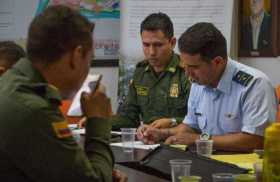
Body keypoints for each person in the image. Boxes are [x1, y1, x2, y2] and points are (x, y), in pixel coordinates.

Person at [0, 5, 127, 182]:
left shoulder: (10, 85)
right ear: (76, 56)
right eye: (89, 60)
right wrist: (98, 120)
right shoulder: (34, 110)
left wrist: (96, 170)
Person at [138, 22, 277, 152]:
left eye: (193, 67)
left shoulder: (254, 84)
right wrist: (162, 133)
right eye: (185, 66)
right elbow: (190, 127)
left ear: (217, 62)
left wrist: (199, 139)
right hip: (206, 161)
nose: (187, 73)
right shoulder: (198, 81)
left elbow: (256, 140)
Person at [112, 12, 191, 130]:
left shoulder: (187, 72)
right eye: (146, 44)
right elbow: (129, 118)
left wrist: (173, 122)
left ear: (173, 43)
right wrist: (99, 122)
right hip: (147, 141)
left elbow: (200, 119)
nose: (152, 52)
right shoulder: (140, 72)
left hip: (178, 142)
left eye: (158, 45)